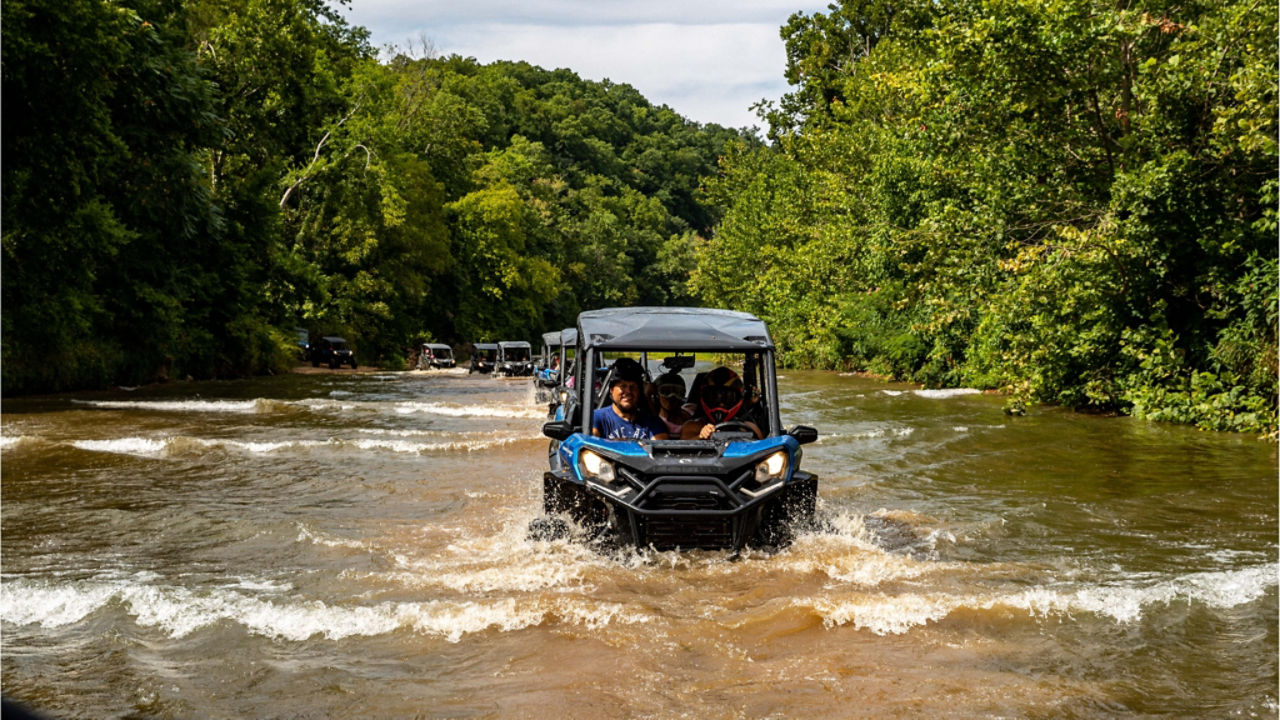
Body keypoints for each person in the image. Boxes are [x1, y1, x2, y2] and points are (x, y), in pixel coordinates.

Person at [592, 358, 669, 440]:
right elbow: (589, 444)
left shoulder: (652, 422)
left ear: (639, 392)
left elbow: (660, 446)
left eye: (633, 387)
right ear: (611, 390)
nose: (628, 391)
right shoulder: (597, 418)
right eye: (623, 386)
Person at [680, 366, 762, 440]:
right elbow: (681, 450)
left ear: (737, 399)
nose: (721, 404)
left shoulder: (750, 428)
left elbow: (763, 453)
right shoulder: (691, 426)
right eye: (713, 397)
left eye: (728, 398)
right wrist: (701, 436)